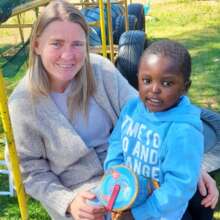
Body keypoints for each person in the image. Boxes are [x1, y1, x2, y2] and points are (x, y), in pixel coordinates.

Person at [6, 0, 218, 220]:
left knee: (199, 203)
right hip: (83, 195)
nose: (68, 55)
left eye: (77, 44)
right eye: (57, 44)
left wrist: (190, 166)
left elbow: (146, 113)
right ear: (37, 45)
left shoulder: (99, 70)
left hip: (134, 172)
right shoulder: (22, 105)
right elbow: (29, 171)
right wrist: (67, 202)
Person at [104, 40, 203, 220]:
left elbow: (179, 186)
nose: (154, 89)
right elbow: (117, 142)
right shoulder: (132, 109)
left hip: (160, 213)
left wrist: (138, 215)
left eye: (167, 83)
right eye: (147, 80)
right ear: (138, 79)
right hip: (126, 197)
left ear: (185, 87)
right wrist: (113, 171)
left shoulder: (184, 131)